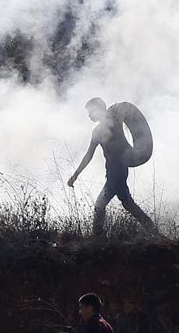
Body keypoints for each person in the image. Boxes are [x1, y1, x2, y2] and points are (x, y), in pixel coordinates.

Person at [67, 97, 158, 237]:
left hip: (118, 171)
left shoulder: (114, 123)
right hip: (113, 171)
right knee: (126, 202)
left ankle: (98, 237)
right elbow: (88, 155)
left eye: (90, 111)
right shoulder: (97, 131)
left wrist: (75, 176)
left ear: (98, 110)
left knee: (101, 204)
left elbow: (125, 112)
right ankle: (151, 228)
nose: (89, 115)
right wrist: (76, 175)